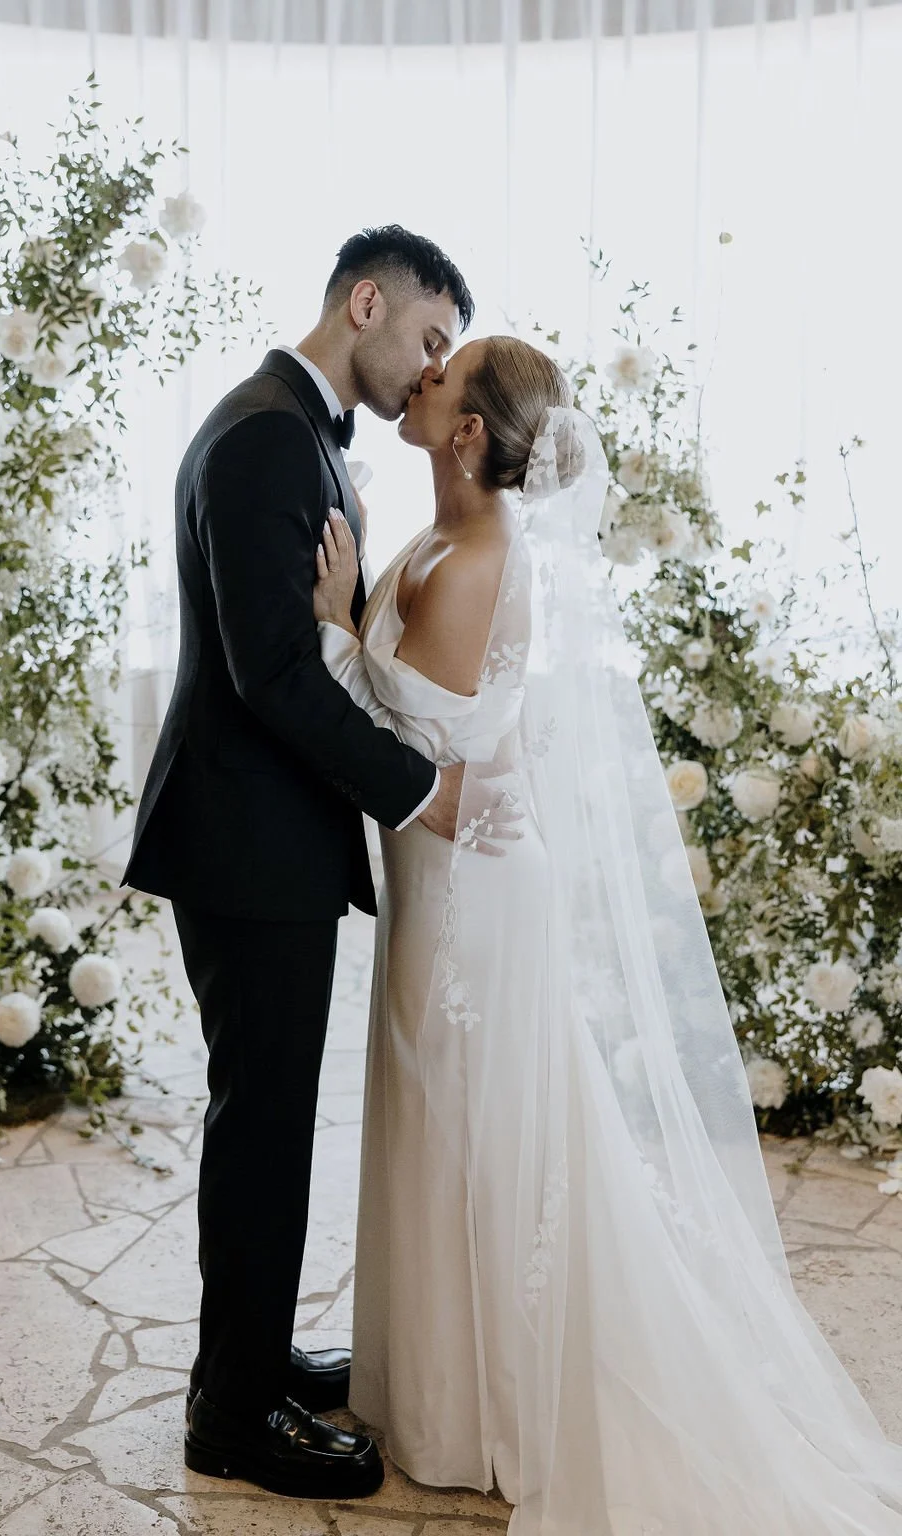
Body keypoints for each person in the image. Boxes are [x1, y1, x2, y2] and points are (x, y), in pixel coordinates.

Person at [312, 334, 902, 1534]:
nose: (422, 372)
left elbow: (408, 739)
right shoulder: (437, 536)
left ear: (466, 433)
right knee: (434, 1114)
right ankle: (432, 1389)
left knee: (473, 1123)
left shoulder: (481, 559)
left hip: (476, 894)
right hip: (440, 877)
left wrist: (330, 628)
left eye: (442, 375)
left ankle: (487, 1409)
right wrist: (359, 581)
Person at [120, 227, 497, 1501]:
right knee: (263, 1127)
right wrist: (421, 793)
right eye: (430, 338)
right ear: (366, 302)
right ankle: (231, 1419)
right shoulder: (267, 438)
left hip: (264, 834)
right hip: (244, 839)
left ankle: (252, 1354)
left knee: (270, 1120)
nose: (431, 368)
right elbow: (270, 673)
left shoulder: (296, 432)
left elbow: (305, 642)